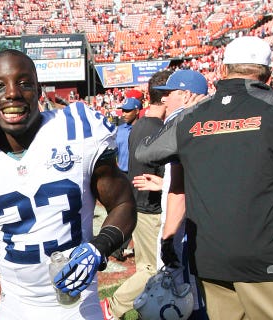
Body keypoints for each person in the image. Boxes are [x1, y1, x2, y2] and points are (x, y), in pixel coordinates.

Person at [0, 49, 137, 320]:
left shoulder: (78, 130)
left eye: (24, 83)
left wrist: (100, 246)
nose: (12, 93)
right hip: (16, 306)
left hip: (78, 305)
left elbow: (123, 202)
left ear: (38, 91)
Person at [136, 36, 273, 319]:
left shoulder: (193, 114)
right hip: (267, 261)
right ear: (269, 73)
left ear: (221, 70)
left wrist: (190, 123)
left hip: (208, 259)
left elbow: (147, 152)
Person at [131, 69, 210, 320]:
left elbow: (147, 153)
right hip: (206, 222)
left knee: (182, 299)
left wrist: (168, 237)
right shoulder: (209, 120)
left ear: (187, 95)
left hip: (185, 226)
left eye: (169, 94)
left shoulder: (184, 120)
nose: (164, 100)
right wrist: (163, 183)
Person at [101, 70, 172, 319]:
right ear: (166, 98)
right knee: (153, 268)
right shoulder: (160, 128)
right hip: (150, 209)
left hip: (138, 205)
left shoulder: (139, 125)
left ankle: (146, 311)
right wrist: (165, 183)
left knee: (149, 267)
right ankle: (114, 306)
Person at [111, 96, 141, 261]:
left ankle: (120, 247)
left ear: (137, 111)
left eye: (128, 111)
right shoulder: (120, 130)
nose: (124, 114)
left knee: (134, 211)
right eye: (123, 110)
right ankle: (118, 245)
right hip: (121, 174)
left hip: (137, 174)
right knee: (122, 210)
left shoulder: (143, 128)